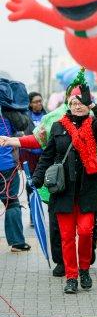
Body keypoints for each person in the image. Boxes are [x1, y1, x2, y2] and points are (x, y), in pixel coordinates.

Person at [31, 83, 97, 294]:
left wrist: (93, 104)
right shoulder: (58, 126)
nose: (77, 106)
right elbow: (47, 156)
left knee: (86, 232)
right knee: (67, 237)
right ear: (68, 105)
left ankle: (84, 269)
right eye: (74, 103)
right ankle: (71, 276)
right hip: (63, 192)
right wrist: (37, 178)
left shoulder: (94, 124)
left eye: (81, 103)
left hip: (88, 190)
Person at [0, 81, 30, 252]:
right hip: (7, 166)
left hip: (7, 165)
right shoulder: (10, 114)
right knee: (11, 202)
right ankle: (17, 243)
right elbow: (23, 124)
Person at [19, 92, 47, 226]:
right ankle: (33, 215)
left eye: (40, 101)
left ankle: (52, 212)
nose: (38, 104)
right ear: (30, 104)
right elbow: (22, 137)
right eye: (35, 101)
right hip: (29, 156)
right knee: (31, 186)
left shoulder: (47, 116)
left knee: (48, 184)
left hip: (45, 156)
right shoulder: (25, 118)